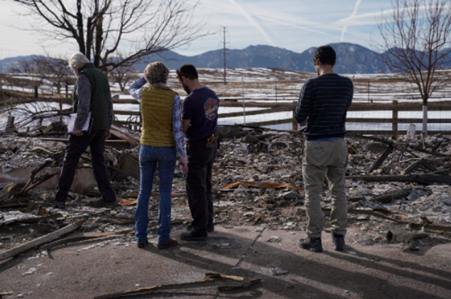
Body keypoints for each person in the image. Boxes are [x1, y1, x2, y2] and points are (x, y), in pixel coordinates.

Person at [295, 45, 353, 252]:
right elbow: (345, 108)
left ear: (316, 62)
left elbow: (299, 116)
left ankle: (315, 239)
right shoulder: (347, 84)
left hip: (316, 143)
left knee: (313, 191)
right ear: (334, 62)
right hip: (338, 142)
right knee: (338, 190)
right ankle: (339, 237)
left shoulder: (311, 86)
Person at [128, 62, 188, 249]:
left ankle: (141, 236)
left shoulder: (143, 93)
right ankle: (163, 237)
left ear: (148, 77)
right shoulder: (173, 97)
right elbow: (177, 130)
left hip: (146, 146)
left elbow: (131, 87)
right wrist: (182, 155)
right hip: (166, 149)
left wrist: (144, 79)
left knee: (143, 191)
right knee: (164, 193)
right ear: (166, 76)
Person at [52, 52, 116, 209]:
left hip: (88, 126)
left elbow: (83, 105)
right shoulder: (101, 75)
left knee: (70, 159)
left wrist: (78, 126)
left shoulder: (83, 77)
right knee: (98, 160)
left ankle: (60, 197)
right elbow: (109, 102)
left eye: (73, 69)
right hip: (100, 125)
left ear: (75, 66)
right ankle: (108, 196)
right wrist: (108, 124)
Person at [177, 64, 219, 241]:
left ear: (184, 79)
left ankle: (199, 228)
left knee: (195, 187)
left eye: (180, 81)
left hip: (198, 145)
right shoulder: (212, 94)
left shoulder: (190, 100)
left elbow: (184, 126)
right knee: (206, 183)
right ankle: (208, 221)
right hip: (212, 143)